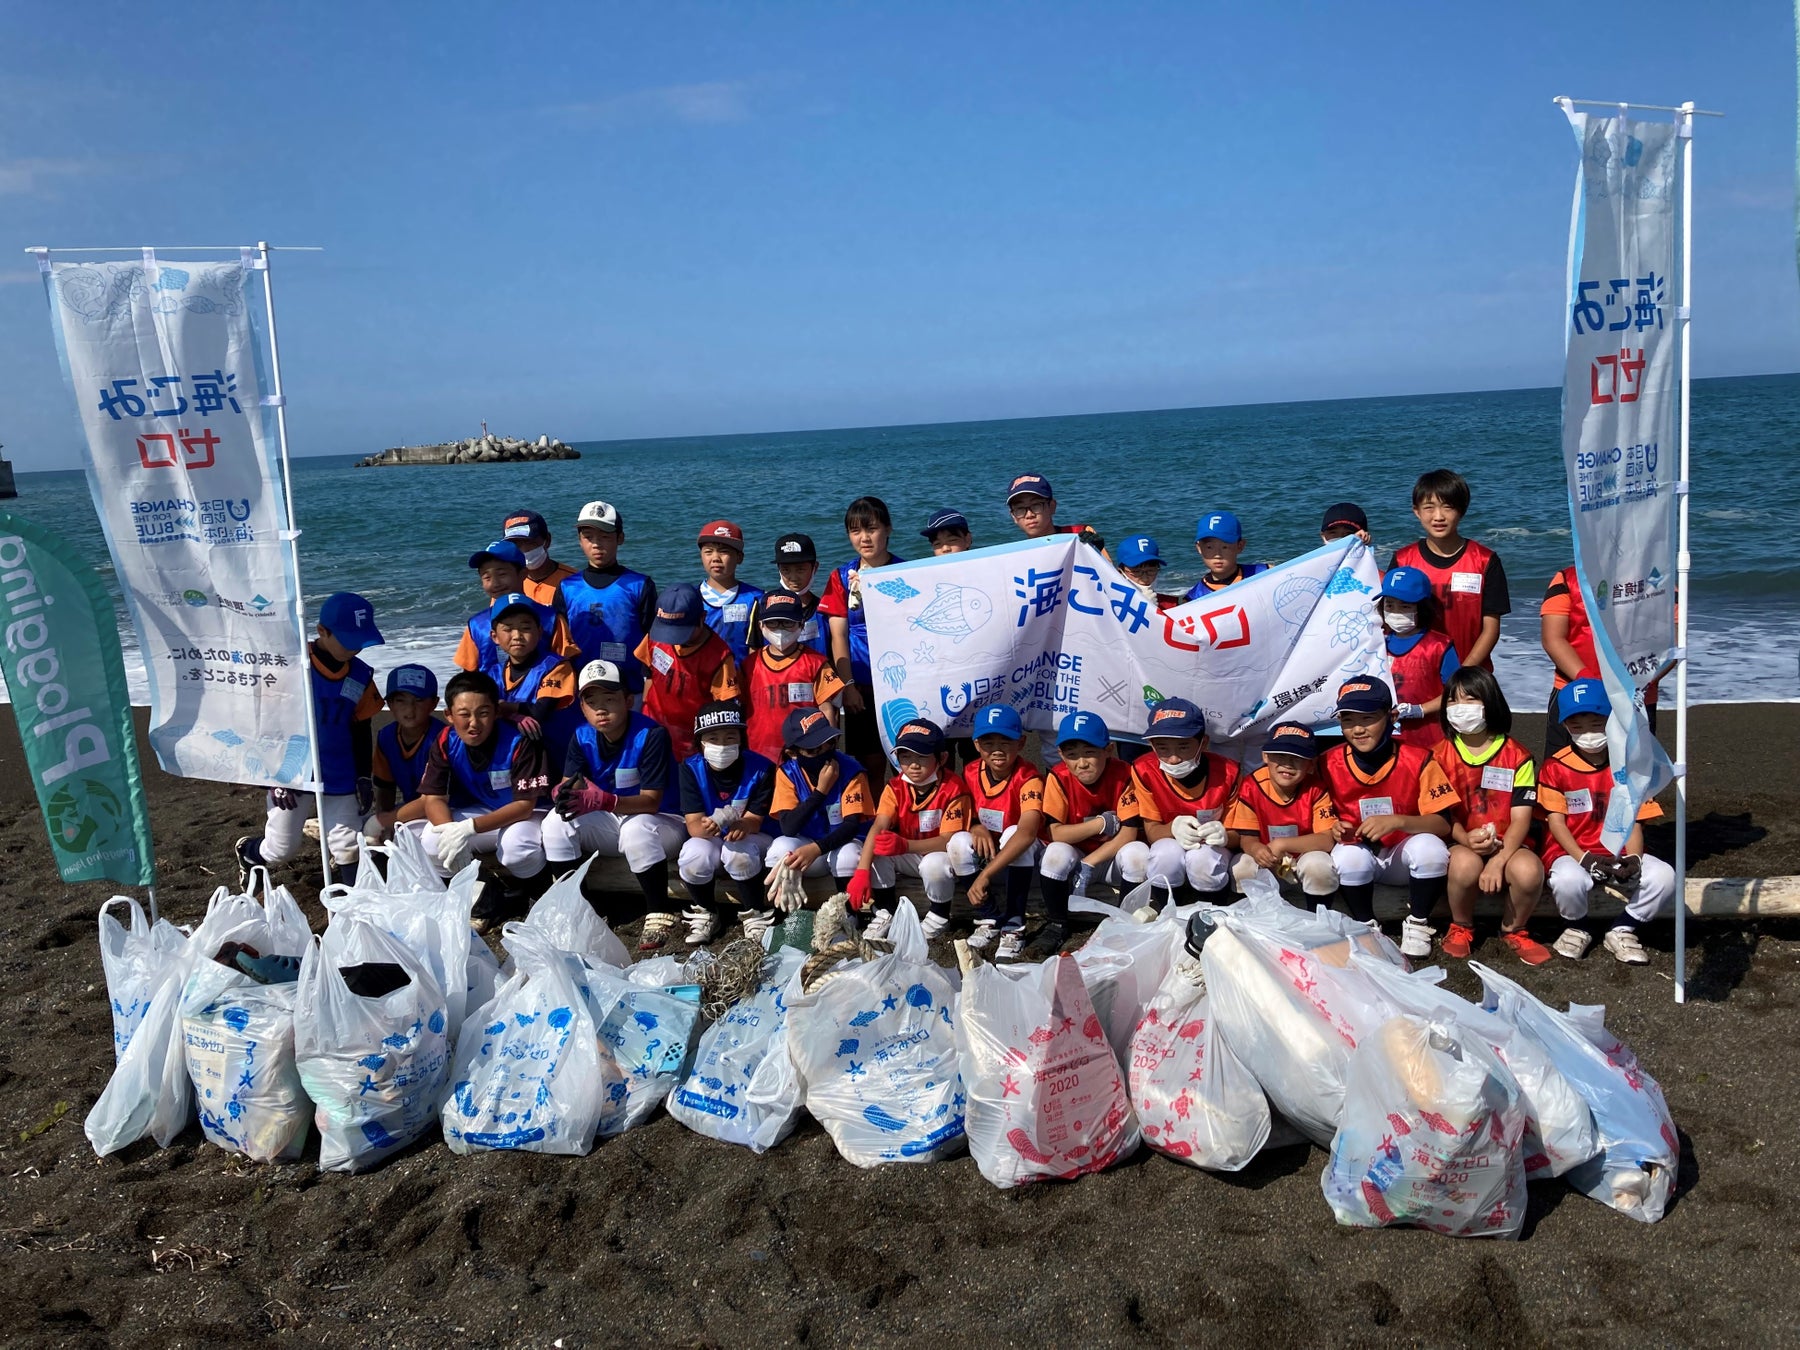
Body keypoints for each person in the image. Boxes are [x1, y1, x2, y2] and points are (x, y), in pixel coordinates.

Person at [235, 592, 384, 886]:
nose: (355, 649)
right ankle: (249, 852)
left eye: (360, 641)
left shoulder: (360, 674)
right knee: (282, 849)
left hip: (339, 768)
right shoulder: (289, 665)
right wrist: (274, 776)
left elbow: (361, 725)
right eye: (348, 640)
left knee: (348, 843)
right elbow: (262, 722)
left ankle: (352, 901)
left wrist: (363, 777)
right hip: (291, 769)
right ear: (322, 631)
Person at [540, 659, 687, 950]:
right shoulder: (581, 736)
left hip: (663, 822)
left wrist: (606, 801)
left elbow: (652, 801)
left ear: (628, 700)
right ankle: (579, 909)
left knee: (638, 830)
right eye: (591, 701)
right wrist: (565, 792)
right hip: (612, 817)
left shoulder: (651, 734)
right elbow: (572, 783)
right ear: (582, 708)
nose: (601, 709)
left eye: (609, 699)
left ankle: (659, 911)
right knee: (556, 822)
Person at [1537, 678, 1675, 965]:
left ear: (1611, 720)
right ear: (1564, 726)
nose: (1587, 733)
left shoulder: (1629, 763)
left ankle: (1624, 927)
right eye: (1577, 726)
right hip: (1572, 853)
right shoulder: (1555, 767)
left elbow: (1636, 820)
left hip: (1619, 853)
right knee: (1567, 880)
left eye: (1596, 723)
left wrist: (1635, 859)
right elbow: (1556, 823)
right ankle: (1578, 926)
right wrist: (1584, 859)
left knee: (1664, 876)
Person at [1318, 677, 1459, 957]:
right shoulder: (1325, 762)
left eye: (1368, 718)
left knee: (1431, 848)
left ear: (1391, 716)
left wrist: (1398, 821)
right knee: (1348, 856)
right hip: (1359, 858)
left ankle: (1419, 921)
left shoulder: (1418, 758)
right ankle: (1366, 925)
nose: (1358, 729)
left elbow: (1443, 823)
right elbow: (1319, 815)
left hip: (1401, 858)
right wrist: (1333, 829)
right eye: (1348, 720)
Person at [1432, 668, 1552, 965]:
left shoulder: (1518, 756)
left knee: (1528, 872)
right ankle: (1461, 925)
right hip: (1460, 840)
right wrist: (1464, 838)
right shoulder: (1438, 755)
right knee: (1464, 865)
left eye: (1470, 700)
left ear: (1491, 702)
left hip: (1508, 842)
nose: (1461, 709)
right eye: (1453, 701)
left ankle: (1514, 929)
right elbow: (1442, 812)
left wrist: (1499, 860)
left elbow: (1522, 819)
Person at [416, 670, 551, 926]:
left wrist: (468, 828)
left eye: (483, 713)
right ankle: (483, 899)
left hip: (530, 814)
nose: (474, 723)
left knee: (516, 847)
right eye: (464, 714)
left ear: (497, 711)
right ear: (449, 715)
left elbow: (525, 806)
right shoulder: (446, 740)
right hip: (486, 810)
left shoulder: (521, 740)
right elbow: (433, 798)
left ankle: (542, 897)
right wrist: (449, 831)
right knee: (433, 841)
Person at [845, 718, 973, 941]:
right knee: (878, 848)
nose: (913, 764)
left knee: (934, 864)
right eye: (905, 756)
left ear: (942, 758)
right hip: (910, 854)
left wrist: (905, 844)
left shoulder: (953, 787)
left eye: (922, 756)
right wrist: (862, 871)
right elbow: (879, 826)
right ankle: (885, 911)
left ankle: (939, 915)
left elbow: (947, 840)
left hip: (940, 855)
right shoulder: (895, 786)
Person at [1034, 710, 1146, 958]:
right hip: (1078, 855)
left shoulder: (1125, 773)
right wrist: (1098, 824)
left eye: (1090, 752)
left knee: (1138, 854)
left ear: (1108, 750)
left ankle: (1125, 925)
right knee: (1054, 854)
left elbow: (1128, 834)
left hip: (1108, 860)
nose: (1081, 763)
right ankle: (1057, 923)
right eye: (1072, 754)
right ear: (1061, 755)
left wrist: (1089, 863)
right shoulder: (1059, 776)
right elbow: (1056, 834)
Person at [945, 703, 1045, 959]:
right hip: (991, 857)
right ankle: (988, 917)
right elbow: (964, 811)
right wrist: (975, 824)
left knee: (1014, 834)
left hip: (1026, 863)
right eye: (988, 742)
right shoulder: (969, 771)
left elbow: (1028, 832)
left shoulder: (1029, 777)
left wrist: (985, 875)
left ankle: (1013, 925)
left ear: (1021, 743)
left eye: (1006, 741)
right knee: (958, 841)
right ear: (976, 745)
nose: (997, 749)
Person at [674, 701, 778, 944]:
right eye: (713, 738)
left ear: (741, 738)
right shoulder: (690, 768)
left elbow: (755, 819)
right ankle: (706, 911)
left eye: (730, 737)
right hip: (710, 837)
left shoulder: (761, 768)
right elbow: (694, 825)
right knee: (693, 854)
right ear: (701, 741)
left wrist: (741, 824)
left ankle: (754, 913)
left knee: (737, 852)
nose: (722, 745)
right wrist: (708, 827)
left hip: (753, 836)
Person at [818, 496, 903, 781]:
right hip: (861, 680)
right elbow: (838, 635)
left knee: (908, 757)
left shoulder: (907, 572)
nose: (864, 538)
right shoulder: (841, 576)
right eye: (856, 531)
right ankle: (874, 823)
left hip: (901, 680)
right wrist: (848, 685)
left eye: (872, 528)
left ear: (888, 529)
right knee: (869, 763)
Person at [1539, 563, 1661, 759]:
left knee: (1633, 771)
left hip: (1635, 693)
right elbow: (1553, 639)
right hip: (1575, 691)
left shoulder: (1656, 579)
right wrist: (1590, 682)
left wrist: (1635, 680)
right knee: (1561, 768)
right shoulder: (1567, 579)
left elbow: (1672, 641)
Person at [1393, 468, 1509, 670]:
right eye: (1429, 507)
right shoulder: (1403, 560)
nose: (1438, 516)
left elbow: (1491, 628)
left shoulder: (1485, 560)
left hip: (1471, 674)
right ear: (1416, 512)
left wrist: (1463, 674)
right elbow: (1388, 619)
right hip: (1416, 672)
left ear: (1462, 510)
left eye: (1447, 507)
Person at [1128, 697, 1241, 900]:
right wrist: (1172, 827)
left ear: (1203, 743)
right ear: (1152, 745)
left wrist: (1225, 835)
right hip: (1168, 844)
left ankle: (1211, 913)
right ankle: (1167, 912)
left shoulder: (1229, 772)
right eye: (1163, 748)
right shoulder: (1143, 770)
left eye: (1183, 747)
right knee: (1165, 854)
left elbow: (1239, 834)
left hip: (1213, 851)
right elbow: (1152, 832)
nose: (1173, 758)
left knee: (1204, 858)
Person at [1222, 722, 1339, 902]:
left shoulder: (1316, 788)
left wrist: (1282, 844)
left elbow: (1326, 839)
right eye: (1280, 756)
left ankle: (1320, 919)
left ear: (1311, 764)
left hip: (1301, 863)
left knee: (1319, 864)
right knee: (1242, 866)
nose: (1287, 764)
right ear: (1265, 756)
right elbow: (1247, 836)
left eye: (1297, 758)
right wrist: (1255, 848)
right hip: (1269, 863)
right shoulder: (1251, 786)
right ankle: (1255, 919)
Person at [763, 707, 875, 890]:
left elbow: (851, 826)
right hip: (807, 847)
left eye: (829, 743)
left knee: (847, 855)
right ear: (793, 753)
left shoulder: (851, 769)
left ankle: (847, 914)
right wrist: (820, 792)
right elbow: (788, 827)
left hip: (843, 845)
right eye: (814, 749)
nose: (824, 751)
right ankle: (789, 913)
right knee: (780, 848)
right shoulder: (788, 772)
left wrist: (817, 848)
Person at [557, 499, 658, 698]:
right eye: (588, 537)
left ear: (620, 538)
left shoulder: (639, 585)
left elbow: (653, 641)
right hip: (581, 689)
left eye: (604, 536)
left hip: (631, 690)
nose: (596, 544)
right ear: (579, 540)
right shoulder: (567, 587)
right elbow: (559, 642)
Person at [633, 582, 741, 763]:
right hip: (652, 731)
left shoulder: (719, 658)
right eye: (669, 631)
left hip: (690, 744)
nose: (673, 639)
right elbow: (649, 674)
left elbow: (724, 710)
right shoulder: (656, 636)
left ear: (702, 618)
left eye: (680, 631)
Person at [739, 590, 844, 762]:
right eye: (772, 623)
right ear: (760, 625)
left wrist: (828, 747)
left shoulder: (816, 663)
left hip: (804, 752)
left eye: (788, 623)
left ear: (801, 624)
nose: (780, 629)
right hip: (757, 753)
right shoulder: (748, 666)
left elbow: (827, 708)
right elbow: (741, 708)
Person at [480, 594, 581, 764]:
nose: (517, 635)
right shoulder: (493, 673)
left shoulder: (557, 666)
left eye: (525, 627)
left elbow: (539, 712)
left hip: (556, 757)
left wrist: (504, 707)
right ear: (494, 636)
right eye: (508, 629)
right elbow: (482, 713)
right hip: (514, 759)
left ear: (539, 631)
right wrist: (514, 715)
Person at [455, 540, 575, 672]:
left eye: (502, 574)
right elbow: (468, 674)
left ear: (523, 574)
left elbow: (566, 667)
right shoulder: (477, 625)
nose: (495, 583)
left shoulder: (551, 619)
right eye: (487, 577)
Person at [1380, 566, 1457, 750]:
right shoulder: (1377, 644)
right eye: (1389, 605)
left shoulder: (1440, 645)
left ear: (1421, 607)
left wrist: (1420, 710)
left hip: (1430, 738)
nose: (1396, 612)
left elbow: (1455, 693)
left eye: (1405, 606)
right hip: (1385, 738)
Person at [368, 663, 442, 844]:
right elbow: (385, 787)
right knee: (367, 834)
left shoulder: (443, 739)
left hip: (448, 808)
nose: (409, 710)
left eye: (418, 700)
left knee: (408, 838)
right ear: (390, 704)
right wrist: (383, 823)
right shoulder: (386, 736)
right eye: (401, 700)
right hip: (413, 807)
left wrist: (382, 821)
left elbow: (433, 800)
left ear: (434, 703)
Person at [695, 520, 766, 662]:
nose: (715, 558)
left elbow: (759, 647)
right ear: (701, 556)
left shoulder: (756, 598)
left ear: (739, 557)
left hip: (741, 679)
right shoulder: (691, 598)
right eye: (708, 552)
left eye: (724, 552)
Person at [748, 533, 827, 656]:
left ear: (815, 567)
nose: (793, 577)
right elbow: (754, 650)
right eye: (786, 570)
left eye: (800, 569)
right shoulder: (763, 606)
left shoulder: (824, 609)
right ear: (778, 569)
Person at [501, 508, 578, 606]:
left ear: (547, 540)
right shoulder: (506, 587)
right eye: (516, 544)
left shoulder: (575, 582)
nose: (524, 550)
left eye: (529, 542)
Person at [1006, 473, 1104, 550]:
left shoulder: (1079, 534)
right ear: (1013, 516)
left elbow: (1110, 573)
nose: (1029, 515)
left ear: (1052, 506)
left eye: (1036, 505)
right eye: (1020, 509)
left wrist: (1095, 550)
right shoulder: (1015, 556)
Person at [1184, 511, 1267, 597]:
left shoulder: (1264, 574)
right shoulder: (1194, 598)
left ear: (1240, 546)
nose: (1217, 555)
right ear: (1199, 548)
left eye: (1225, 547)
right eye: (1209, 547)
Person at [1115, 535, 1180, 610]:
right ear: (1120, 572)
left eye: (1151, 570)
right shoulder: (1108, 604)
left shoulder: (1172, 605)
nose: (1145, 578)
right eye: (1136, 571)